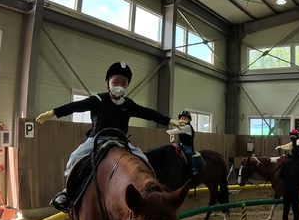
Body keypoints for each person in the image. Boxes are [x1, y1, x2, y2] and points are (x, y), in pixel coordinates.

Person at [35, 62, 185, 209]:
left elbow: (148, 113)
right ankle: (67, 192)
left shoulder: (128, 104)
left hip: (121, 141)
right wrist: (54, 112)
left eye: (124, 83)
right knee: (74, 158)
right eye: (116, 81)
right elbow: (75, 106)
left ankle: (147, 191)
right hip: (97, 139)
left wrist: (169, 120)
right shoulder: (98, 100)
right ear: (108, 82)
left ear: (127, 85)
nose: (120, 85)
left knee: (144, 159)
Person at [167, 110, 197, 176]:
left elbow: (171, 132)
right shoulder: (181, 127)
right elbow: (173, 133)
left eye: (185, 118)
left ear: (189, 120)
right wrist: (172, 141)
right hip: (180, 145)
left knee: (188, 153)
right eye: (181, 118)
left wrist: (168, 123)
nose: (183, 119)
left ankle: (192, 170)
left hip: (188, 147)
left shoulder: (187, 127)